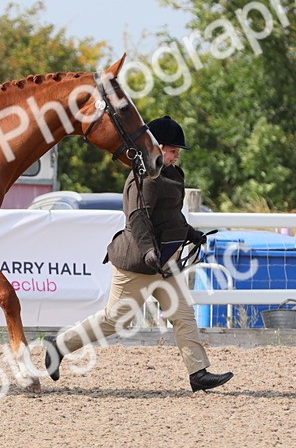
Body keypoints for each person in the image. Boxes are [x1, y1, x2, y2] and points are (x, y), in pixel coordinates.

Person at [43, 115, 234, 392]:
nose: (176, 155)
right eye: (172, 150)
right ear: (155, 146)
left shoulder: (170, 174)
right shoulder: (144, 177)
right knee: (115, 321)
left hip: (163, 262)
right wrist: (147, 252)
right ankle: (58, 345)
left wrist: (189, 232)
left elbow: (169, 214)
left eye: (177, 151)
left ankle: (198, 373)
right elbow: (138, 218)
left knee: (182, 315)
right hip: (138, 261)